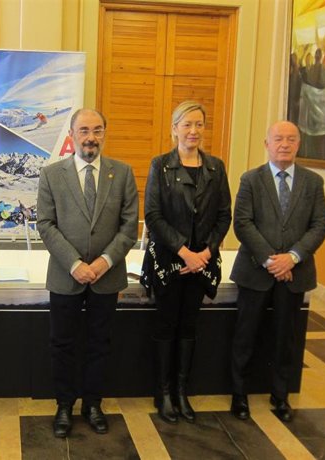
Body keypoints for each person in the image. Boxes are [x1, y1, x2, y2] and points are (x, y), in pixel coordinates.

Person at [37, 108, 139, 438]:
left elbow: (128, 227)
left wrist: (104, 262)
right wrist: (75, 264)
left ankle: (93, 404)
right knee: (62, 344)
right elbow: (46, 224)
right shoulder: (52, 174)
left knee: (100, 344)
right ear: (72, 134)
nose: (90, 137)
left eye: (97, 130)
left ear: (104, 134)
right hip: (66, 275)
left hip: (106, 277)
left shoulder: (122, 173)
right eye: (83, 130)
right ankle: (64, 405)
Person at [230, 121, 325, 423]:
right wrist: (272, 260)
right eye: (278, 139)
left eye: (290, 139)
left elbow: (320, 225)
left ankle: (280, 395)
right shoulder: (251, 179)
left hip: (295, 272)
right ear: (267, 143)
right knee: (245, 335)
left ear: (298, 144)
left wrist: (293, 258)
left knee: (285, 337)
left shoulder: (313, 182)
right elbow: (243, 223)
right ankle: (239, 394)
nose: (284, 144)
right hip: (256, 271)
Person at [141, 101, 231, 424]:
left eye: (199, 125)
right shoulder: (160, 165)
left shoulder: (216, 168)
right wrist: (184, 251)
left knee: (190, 327)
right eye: (187, 124)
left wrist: (205, 253)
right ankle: (163, 394)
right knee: (166, 326)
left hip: (201, 264)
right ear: (174, 128)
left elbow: (224, 216)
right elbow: (153, 214)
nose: (193, 131)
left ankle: (181, 392)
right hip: (170, 263)